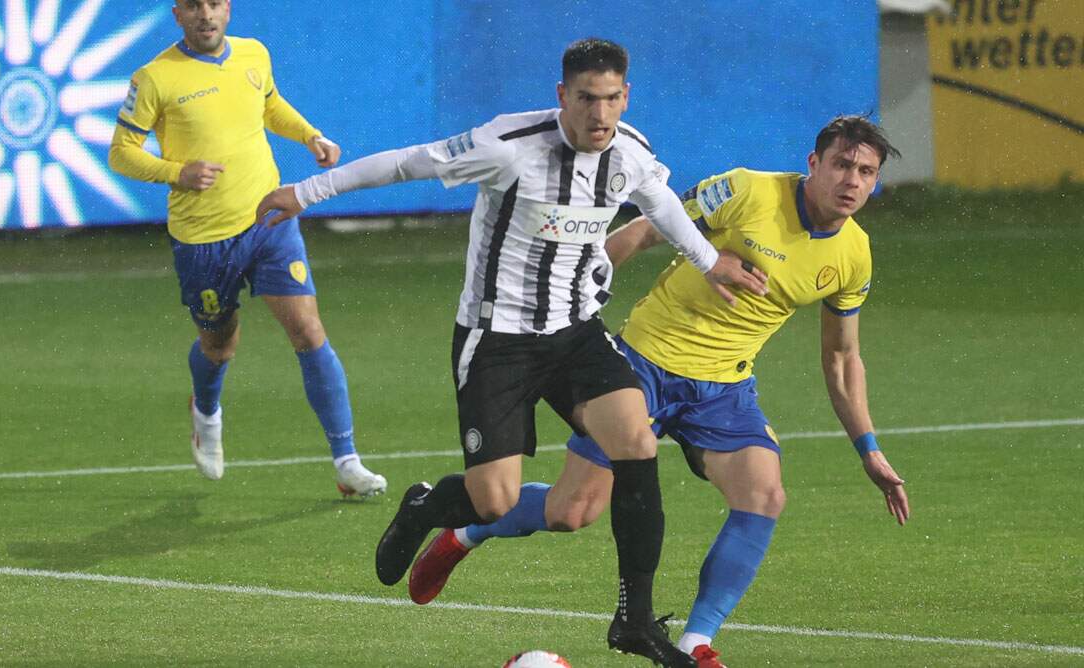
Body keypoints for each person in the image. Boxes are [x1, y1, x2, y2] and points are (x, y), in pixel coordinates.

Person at [257, 38, 766, 667]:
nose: (600, 114)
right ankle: (426, 506)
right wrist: (306, 192)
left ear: (626, 96)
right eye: (587, 99)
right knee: (494, 500)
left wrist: (710, 262)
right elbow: (406, 164)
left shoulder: (629, 152)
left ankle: (634, 620)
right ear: (562, 96)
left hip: (576, 332)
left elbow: (660, 204)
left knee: (636, 441)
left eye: (612, 99)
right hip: (497, 340)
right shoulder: (508, 145)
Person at [406, 116, 911, 667]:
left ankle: (697, 643)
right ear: (814, 163)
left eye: (866, 172)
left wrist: (869, 449)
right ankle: (466, 530)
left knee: (764, 495)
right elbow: (649, 227)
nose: (852, 181)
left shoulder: (853, 254)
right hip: (643, 365)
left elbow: (841, 357)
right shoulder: (746, 190)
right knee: (572, 511)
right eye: (842, 164)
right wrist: (578, 297)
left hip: (724, 389)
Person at [107, 0, 386, 497]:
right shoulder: (153, 78)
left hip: (268, 219)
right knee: (220, 345)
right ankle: (205, 411)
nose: (206, 14)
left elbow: (270, 105)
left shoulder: (254, 53)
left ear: (228, 9)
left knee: (308, 330)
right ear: (177, 14)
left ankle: (347, 461)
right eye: (194, 6)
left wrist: (310, 136)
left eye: (214, 3)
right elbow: (121, 153)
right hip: (204, 239)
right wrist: (177, 172)